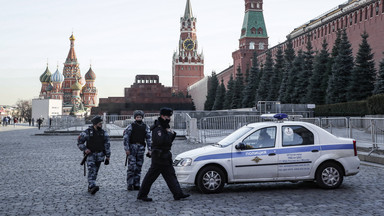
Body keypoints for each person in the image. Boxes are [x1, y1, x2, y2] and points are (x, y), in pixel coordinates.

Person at [137, 107, 190, 202]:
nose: (169, 118)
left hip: (165, 156)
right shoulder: (158, 127)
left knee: (171, 176)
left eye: (170, 116)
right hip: (159, 157)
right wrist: (170, 134)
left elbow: (168, 142)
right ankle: (142, 194)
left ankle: (178, 194)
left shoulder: (164, 126)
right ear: (162, 116)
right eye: (167, 116)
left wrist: (171, 133)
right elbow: (161, 141)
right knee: (150, 177)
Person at [77, 116, 111, 194]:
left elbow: (107, 145)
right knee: (92, 170)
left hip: (100, 155)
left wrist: (108, 156)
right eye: (99, 123)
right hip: (90, 155)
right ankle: (92, 186)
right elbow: (79, 142)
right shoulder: (87, 132)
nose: (101, 125)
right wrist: (85, 149)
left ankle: (91, 185)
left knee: (95, 171)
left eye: (101, 123)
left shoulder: (103, 133)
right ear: (95, 124)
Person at [123, 110, 152, 191]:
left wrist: (150, 150)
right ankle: (130, 184)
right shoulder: (130, 126)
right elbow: (126, 138)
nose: (138, 118)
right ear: (135, 117)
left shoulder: (146, 127)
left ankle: (136, 184)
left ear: (142, 117)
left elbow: (149, 139)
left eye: (140, 117)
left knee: (139, 167)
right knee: (131, 167)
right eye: (137, 117)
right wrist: (127, 149)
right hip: (132, 148)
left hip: (141, 148)